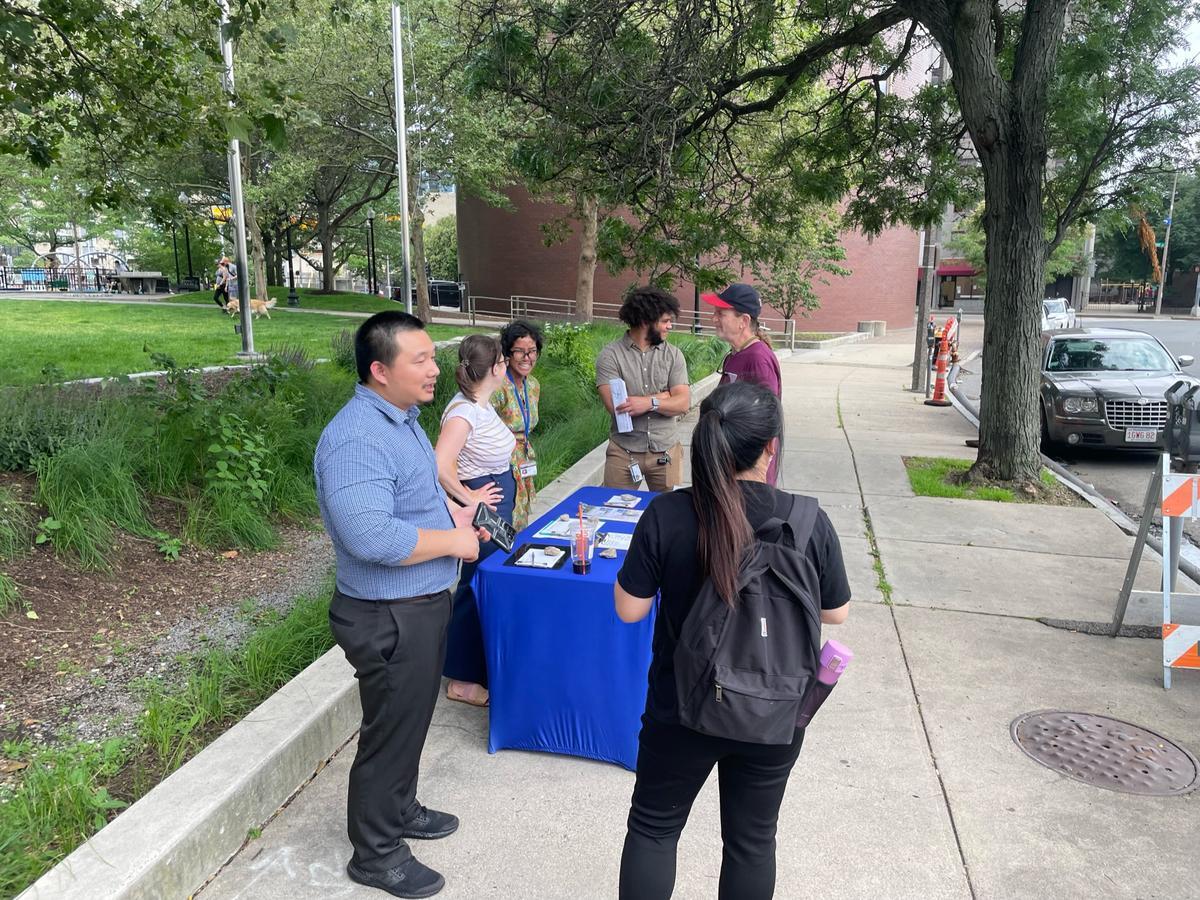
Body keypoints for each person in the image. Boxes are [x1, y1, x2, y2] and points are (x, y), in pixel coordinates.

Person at [613, 381, 851, 900]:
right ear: (771, 447)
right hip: (775, 709)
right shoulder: (809, 522)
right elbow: (836, 612)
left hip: (681, 705)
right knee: (752, 843)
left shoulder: (669, 515)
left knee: (654, 828)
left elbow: (629, 609)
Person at [314, 311, 488, 899]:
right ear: (380, 370)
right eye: (421, 360)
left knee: (410, 719)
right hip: (387, 613)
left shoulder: (403, 419)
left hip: (418, 603)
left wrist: (453, 515)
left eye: (433, 356)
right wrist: (455, 542)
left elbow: (407, 504)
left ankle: (400, 807)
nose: (436, 368)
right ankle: (377, 854)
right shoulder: (357, 438)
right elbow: (370, 536)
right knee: (389, 731)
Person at [435, 334, 516, 708]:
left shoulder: (479, 404)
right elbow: (440, 466)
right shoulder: (463, 413)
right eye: (503, 360)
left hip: (495, 504)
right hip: (482, 509)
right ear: (496, 367)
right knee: (476, 585)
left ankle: (479, 667)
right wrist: (472, 500)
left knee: (488, 581)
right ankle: (463, 678)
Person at [596, 286, 691, 491]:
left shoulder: (674, 355)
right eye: (665, 321)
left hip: (667, 452)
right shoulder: (610, 356)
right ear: (646, 321)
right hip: (623, 453)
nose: (670, 326)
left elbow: (683, 403)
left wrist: (649, 402)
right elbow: (617, 407)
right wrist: (665, 396)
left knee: (670, 508)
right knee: (613, 507)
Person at [703, 283, 783, 484]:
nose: (714, 319)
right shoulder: (737, 354)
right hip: (730, 464)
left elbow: (765, 420)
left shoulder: (758, 358)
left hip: (748, 473)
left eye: (721, 314)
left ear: (744, 321)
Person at [491, 320, 543, 530]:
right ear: (508, 353)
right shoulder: (497, 385)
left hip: (523, 457)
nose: (527, 357)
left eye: (532, 351)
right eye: (520, 351)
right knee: (505, 519)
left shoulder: (533, 385)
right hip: (500, 462)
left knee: (521, 518)